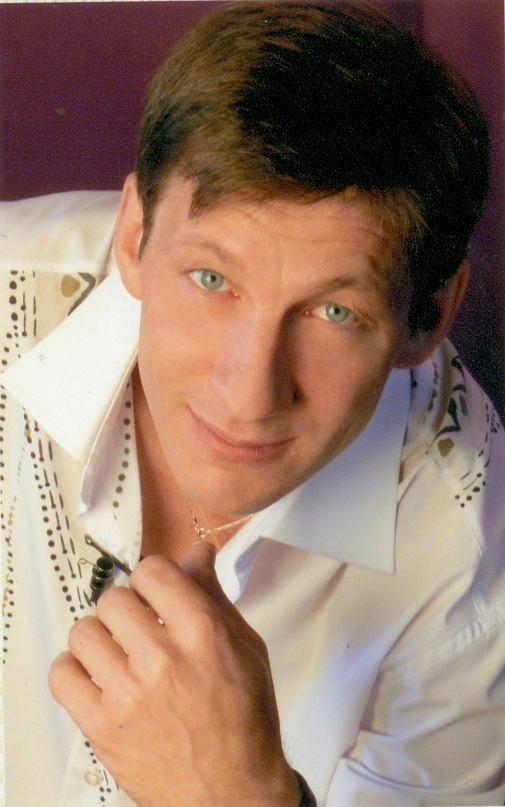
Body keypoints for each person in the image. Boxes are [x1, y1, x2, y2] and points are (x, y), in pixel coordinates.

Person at [1, 1, 504, 804]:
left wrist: (241, 793)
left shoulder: (471, 554)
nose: (247, 392)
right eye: (211, 279)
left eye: (332, 312)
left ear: (428, 317)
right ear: (133, 236)